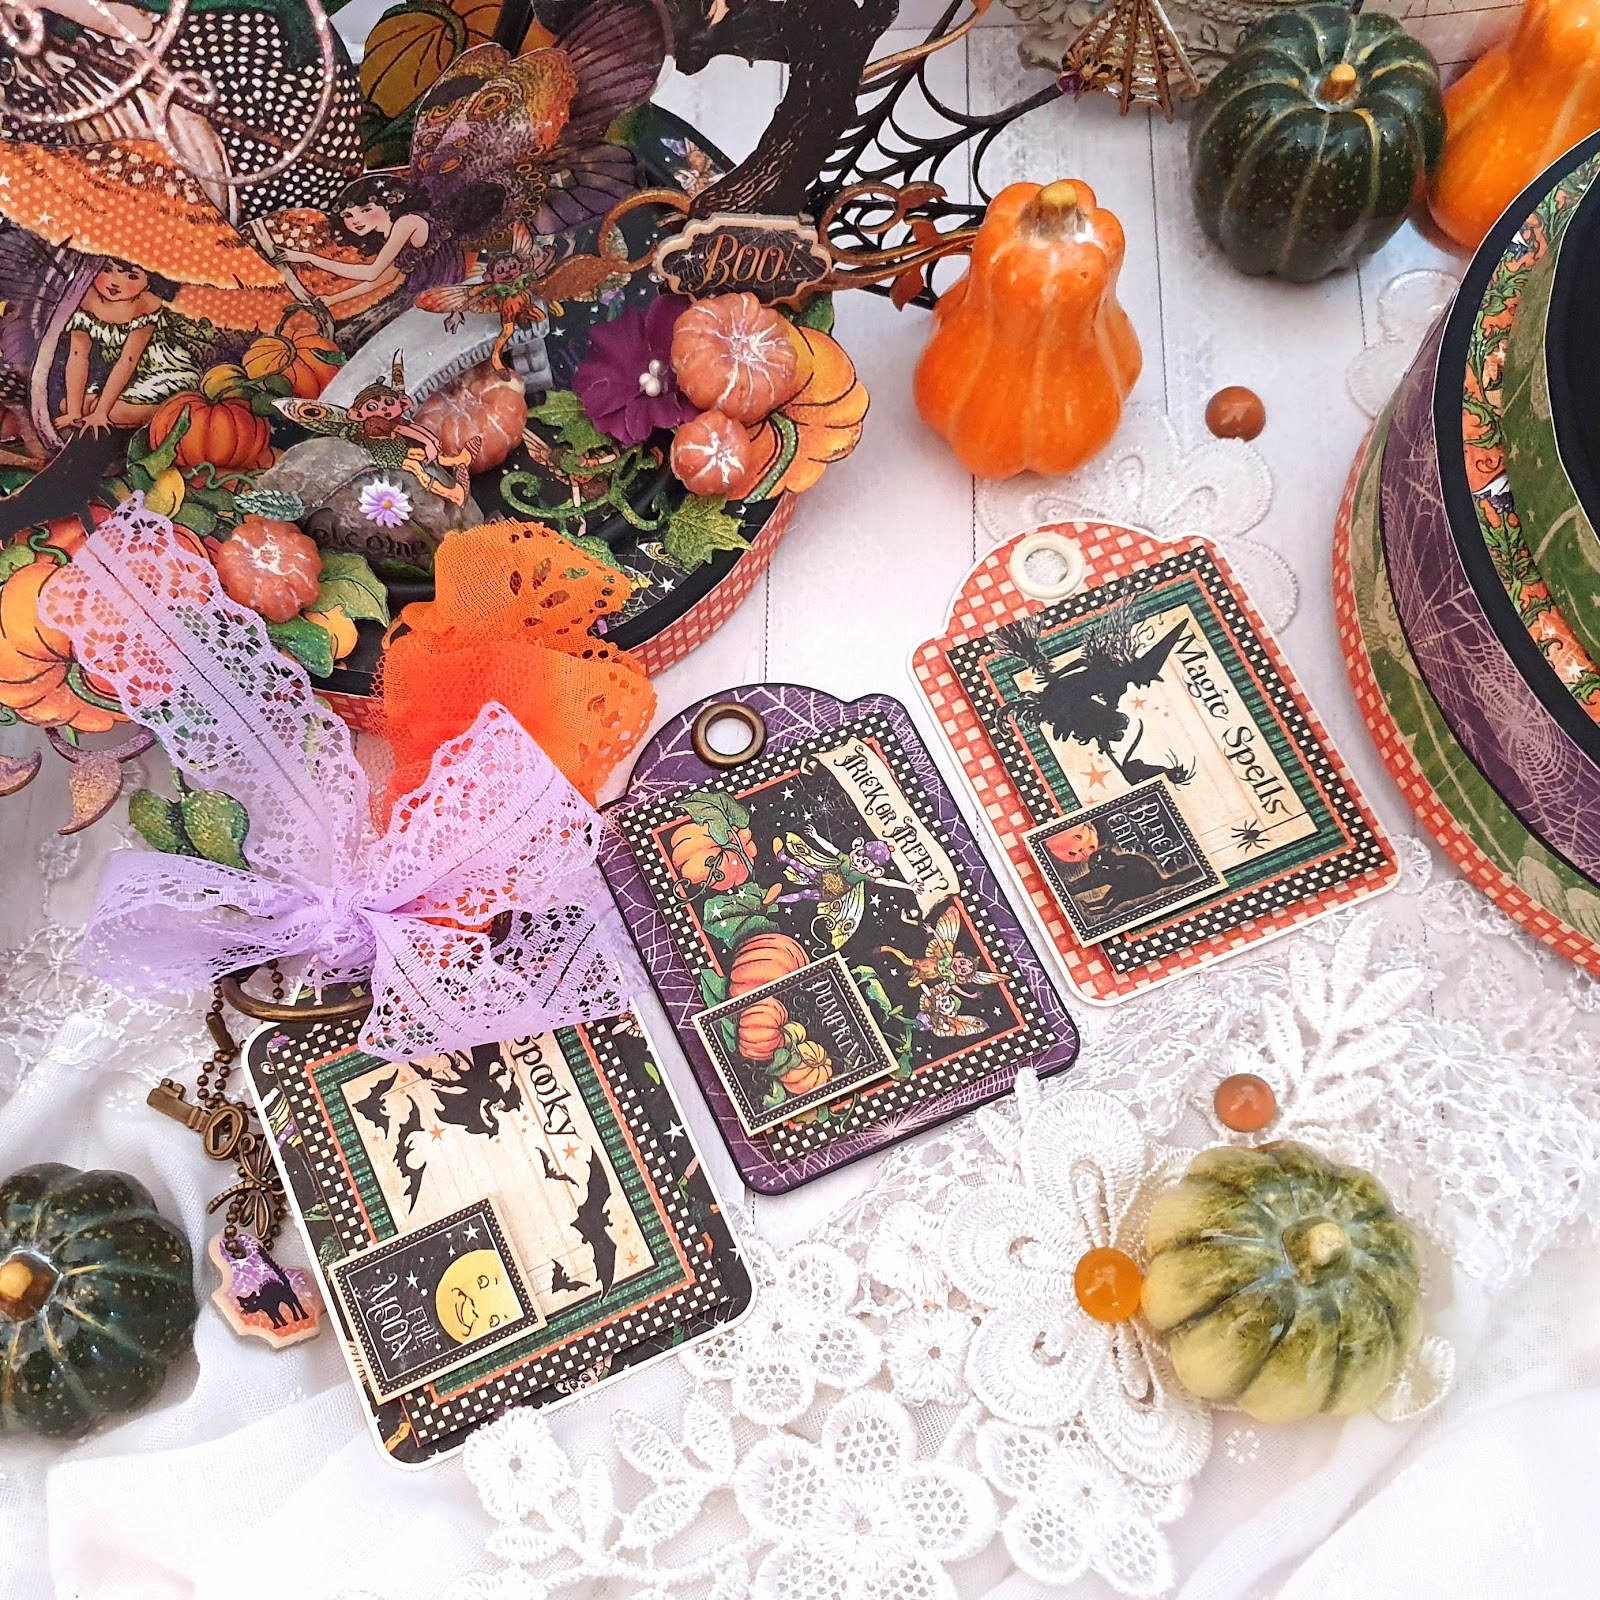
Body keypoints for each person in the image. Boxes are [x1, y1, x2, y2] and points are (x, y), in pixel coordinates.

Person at [54, 260, 206, 433]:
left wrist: (101, 412)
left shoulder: (146, 306)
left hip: (159, 372)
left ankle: (178, 410)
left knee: (112, 414)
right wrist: (74, 413)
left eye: (132, 276)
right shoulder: (84, 300)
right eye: (107, 270)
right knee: (70, 406)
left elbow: (128, 360)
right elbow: (78, 355)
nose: (115, 282)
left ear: (150, 282)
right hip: (115, 375)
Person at [283, 176, 464, 310]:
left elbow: (371, 273)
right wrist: (333, 299)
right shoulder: (390, 237)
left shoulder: (407, 223)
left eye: (366, 210)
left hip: (449, 288)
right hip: (434, 292)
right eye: (348, 215)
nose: (356, 220)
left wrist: (310, 258)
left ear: (389, 205)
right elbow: (384, 278)